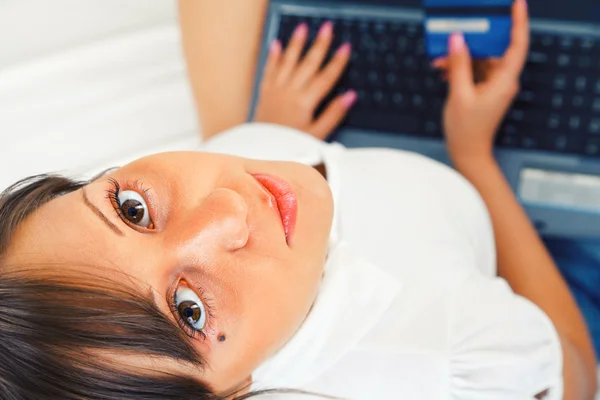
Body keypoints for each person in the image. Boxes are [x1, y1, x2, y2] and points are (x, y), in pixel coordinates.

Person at [0, 1, 596, 400]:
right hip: (528, 246)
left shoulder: (249, 162)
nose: (229, 210)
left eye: (131, 209)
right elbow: (581, 374)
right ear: (234, 392)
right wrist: (474, 157)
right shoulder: (457, 355)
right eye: (191, 312)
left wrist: (273, 134)